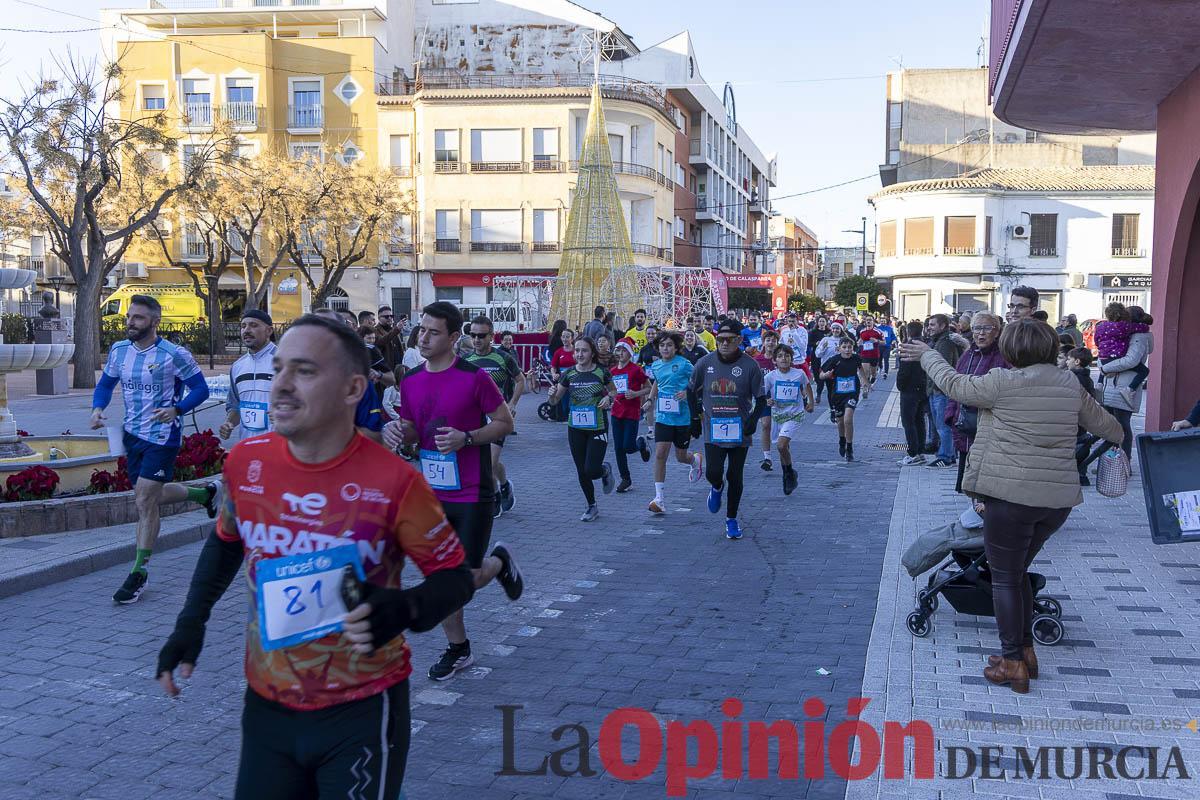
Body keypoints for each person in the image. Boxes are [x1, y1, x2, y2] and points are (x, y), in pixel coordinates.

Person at [156, 314, 479, 796]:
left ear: (352, 389)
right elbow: (226, 541)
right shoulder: (247, 461)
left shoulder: (396, 481)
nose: (280, 385)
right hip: (268, 708)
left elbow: (453, 578)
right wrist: (191, 622)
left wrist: (406, 609)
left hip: (362, 711)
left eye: (304, 371)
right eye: (280, 367)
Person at [898, 319, 1122, 694]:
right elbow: (1112, 429)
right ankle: (1026, 654)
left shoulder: (1003, 382)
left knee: (1004, 578)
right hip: (1056, 504)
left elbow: (955, 386)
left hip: (1009, 500)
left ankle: (1012, 662)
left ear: (1012, 350)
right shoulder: (1069, 383)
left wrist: (928, 355)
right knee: (1016, 574)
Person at [382, 302, 523, 681]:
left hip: (473, 493)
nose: (423, 338)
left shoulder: (474, 378)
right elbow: (413, 428)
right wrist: (398, 432)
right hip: (432, 495)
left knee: (466, 577)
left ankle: (498, 564)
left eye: (433, 332)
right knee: (446, 578)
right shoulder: (410, 380)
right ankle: (458, 649)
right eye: (421, 330)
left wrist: (467, 438)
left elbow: (504, 423)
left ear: (454, 338)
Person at [90, 294, 211, 604]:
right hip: (131, 435)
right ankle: (204, 494)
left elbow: (201, 389)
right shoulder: (119, 351)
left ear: (155, 322)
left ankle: (138, 572)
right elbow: (105, 385)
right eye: (130, 316)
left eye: (138, 318)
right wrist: (97, 408)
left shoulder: (175, 354)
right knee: (149, 496)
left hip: (162, 436)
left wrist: (178, 409)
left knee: (145, 500)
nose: (130, 322)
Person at [688, 321, 766, 540]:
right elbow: (690, 390)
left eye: (729, 340)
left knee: (735, 475)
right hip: (713, 427)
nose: (723, 344)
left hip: (740, 429)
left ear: (739, 341)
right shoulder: (705, 363)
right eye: (720, 339)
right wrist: (694, 418)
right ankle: (716, 486)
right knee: (714, 472)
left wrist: (753, 420)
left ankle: (731, 519)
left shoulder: (750, 365)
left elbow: (761, 398)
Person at [547, 336, 617, 520]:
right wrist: (551, 395)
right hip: (575, 427)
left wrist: (608, 398)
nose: (579, 354)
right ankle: (591, 505)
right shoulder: (569, 374)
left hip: (598, 426)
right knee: (581, 470)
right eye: (577, 350)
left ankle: (604, 470)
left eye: (584, 350)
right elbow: (555, 401)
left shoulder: (602, 372)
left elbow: (614, 391)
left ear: (592, 353)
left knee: (591, 470)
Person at [465, 315, 525, 517]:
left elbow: (520, 380)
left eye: (481, 335)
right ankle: (505, 484)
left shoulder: (503, 358)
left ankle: (495, 497)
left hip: (498, 417)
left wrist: (512, 404)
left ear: (491, 336)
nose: (476, 340)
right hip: (475, 418)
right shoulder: (466, 361)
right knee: (487, 462)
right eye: (472, 335)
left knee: (489, 463)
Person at [1082, 305, 1154, 471]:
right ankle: (1109, 464)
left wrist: (1104, 368)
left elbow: (1131, 361)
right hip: (1112, 385)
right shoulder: (1125, 332)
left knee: (1122, 426)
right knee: (1110, 426)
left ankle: (1123, 464)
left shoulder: (1139, 337)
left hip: (1123, 387)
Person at [943, 313, 1008, 491]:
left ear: (997, 332)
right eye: (977, 328)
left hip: (989, 431)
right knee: (969, 482)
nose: (981, 333)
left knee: (985, 484)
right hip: (964, 427)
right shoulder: (967, 355)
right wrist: (950, 416)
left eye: (987, 328)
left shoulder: (1003, 356)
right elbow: (954, 385)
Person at [644, 331, 704, 514]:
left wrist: (687, 394)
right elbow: (658, 383)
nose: (665, 348)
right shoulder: (656, 366)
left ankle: (694, 460)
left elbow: (699, 382)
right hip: (663, 417)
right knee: (660, 454)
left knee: (680, 457)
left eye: (669, 345)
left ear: (676, 347)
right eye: (662, 345)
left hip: (682, 417)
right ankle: (659, 499)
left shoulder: (685, 365)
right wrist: (650, 399)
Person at [312, 309, 386, 441]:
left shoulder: (358, 381)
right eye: (313, 326)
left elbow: (374, 434)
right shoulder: (292, 378)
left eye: (326, 326)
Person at [764, 343, 814, 495]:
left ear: (792, 358)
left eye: (787, 356)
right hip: (778, 416)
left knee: (781, 445)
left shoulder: (798, 373)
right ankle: (787, 476)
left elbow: (807, 386)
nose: (783, 359)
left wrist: (811, 402)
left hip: (794, 415)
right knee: (783, 448)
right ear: (775, 360)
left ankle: (789, 472)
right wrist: (767, 401)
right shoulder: (770, 377)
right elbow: (761, 395)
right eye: (780, 356)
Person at [219, 309, 276, 443]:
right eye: (243, 326)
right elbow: (235, 405)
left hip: (279, 446)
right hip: (247, 445)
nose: (246, 330)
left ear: (269, 331)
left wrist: (289, 414)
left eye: (254, 325)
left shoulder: (286, 361)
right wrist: (229, 423)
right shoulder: (238, 366)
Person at [609, 340, 651, 493]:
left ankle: (641, 444)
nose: (620, 354)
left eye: (623, 350)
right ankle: (625, 479)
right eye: (618, 350)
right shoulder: (612, 371)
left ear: (630, 353)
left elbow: (649, 388)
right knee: (618, 448)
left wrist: (635, 394)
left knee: (628, 446)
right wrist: (608, 398)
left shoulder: (635, 370)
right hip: (616, 413)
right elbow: (611, 391)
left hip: (631, 413)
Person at [924, 314, 965, 467]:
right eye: (929, 325)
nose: (929, 328)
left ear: (942, 326)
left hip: (941, 391)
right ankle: (948, 453)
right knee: (941, 425)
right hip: (937, 390)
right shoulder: (940, 341)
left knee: (943, 425)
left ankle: (946, 456)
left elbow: (943, 367)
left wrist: (936, 388)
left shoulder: (945, 343)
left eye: (932, 325)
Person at [819, 337, 867, 462]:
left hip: (852, 393)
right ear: (839, 348)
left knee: (848, 419)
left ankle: (849, 448)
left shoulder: (856, 358)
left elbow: (860, 369)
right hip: (838, 394)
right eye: (844, 347)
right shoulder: (834, 360)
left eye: (849, 347)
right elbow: (820, 374)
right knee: (840, 422)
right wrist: (826, 375)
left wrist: (865, 381)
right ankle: (842, 440)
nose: (847, 350)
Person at [1093, 302, 1151, 406]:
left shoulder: (1100, 326)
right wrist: (1146, 327)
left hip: (1103, 356)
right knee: (1144, 371)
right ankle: (1129, 390)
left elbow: (1096, 341)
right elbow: (1140, 328)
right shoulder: (1124, 327)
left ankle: (1099, 384)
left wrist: (1101, 348)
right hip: (1117, 357)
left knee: (1104, 366)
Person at [896, 320, 930, 465]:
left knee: (908, 422)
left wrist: (900, 385)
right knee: (920, 421)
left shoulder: (908, 347)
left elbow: (904, 370)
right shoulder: (925, 346)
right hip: (923, 388)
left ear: (908, 332)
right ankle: (921, 451)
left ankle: (913, 453)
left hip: (909, 389)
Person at [857, 315, 884, 388]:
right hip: (864, 354)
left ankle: (874, 377)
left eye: (870, 320)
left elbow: (884, 342)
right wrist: (859, 343)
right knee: (865, 372)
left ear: (873, 321)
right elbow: (860, 340)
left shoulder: (878, 331)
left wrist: (876, 340)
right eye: (867, 320)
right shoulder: (862, 331)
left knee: (873, 372)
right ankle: (865, 388)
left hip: (874, 355)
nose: (868, 321)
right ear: (865, 322)